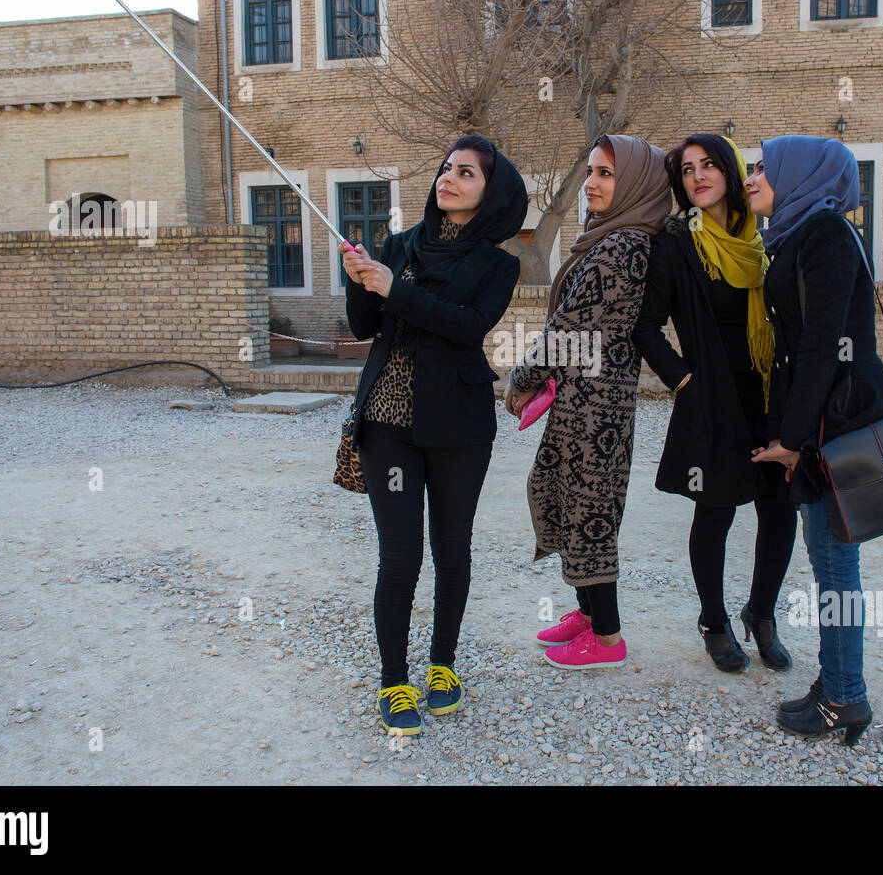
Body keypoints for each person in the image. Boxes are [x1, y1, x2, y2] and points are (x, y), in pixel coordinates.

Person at [340, 135, 527, 736]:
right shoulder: (399, 247)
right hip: (387, 425)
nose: (449, 178)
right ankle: (393, 680)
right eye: (448, 169)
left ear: (489, 193)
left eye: (466, 173)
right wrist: (358, 280)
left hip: (458, 428)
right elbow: (366, 324)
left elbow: (466, 327)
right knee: (400, 557)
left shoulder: (500, 265)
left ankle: (442, 666)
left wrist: (397, 289)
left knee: (452, 549)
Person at [749, 135, 883, 747]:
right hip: (822, 416)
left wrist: (791, 438)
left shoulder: (827, 235)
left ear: (803, 175)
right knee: (830, 557)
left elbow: (820, 345)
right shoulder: (799, 232)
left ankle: (845, 696)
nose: (754, 176)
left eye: (766, 167)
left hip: (836, 419)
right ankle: (839, 684)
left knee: (836, 561)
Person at [633, 134, 798, 674]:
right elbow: (646, 327)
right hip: (713, 402)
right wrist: (684, 382)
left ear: (730, 170)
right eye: (686, 170)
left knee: (779, 510)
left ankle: (762, 614)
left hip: (772, 398)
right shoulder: (677, 243)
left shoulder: (763, 241)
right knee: (717, 511)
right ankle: (713, 621)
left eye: (708, 166)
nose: (697, 176)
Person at [504, 134, 669, 670]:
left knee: (590, 511)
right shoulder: (610, 236)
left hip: (597, 405)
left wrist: (521, 377)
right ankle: (588, 613)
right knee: (565, 496)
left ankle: (608, 638)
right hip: (584, 397)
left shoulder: (624, 245)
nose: (592, 184)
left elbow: (570, 328)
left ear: (637, 185)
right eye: (592, 173)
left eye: (607, 175)